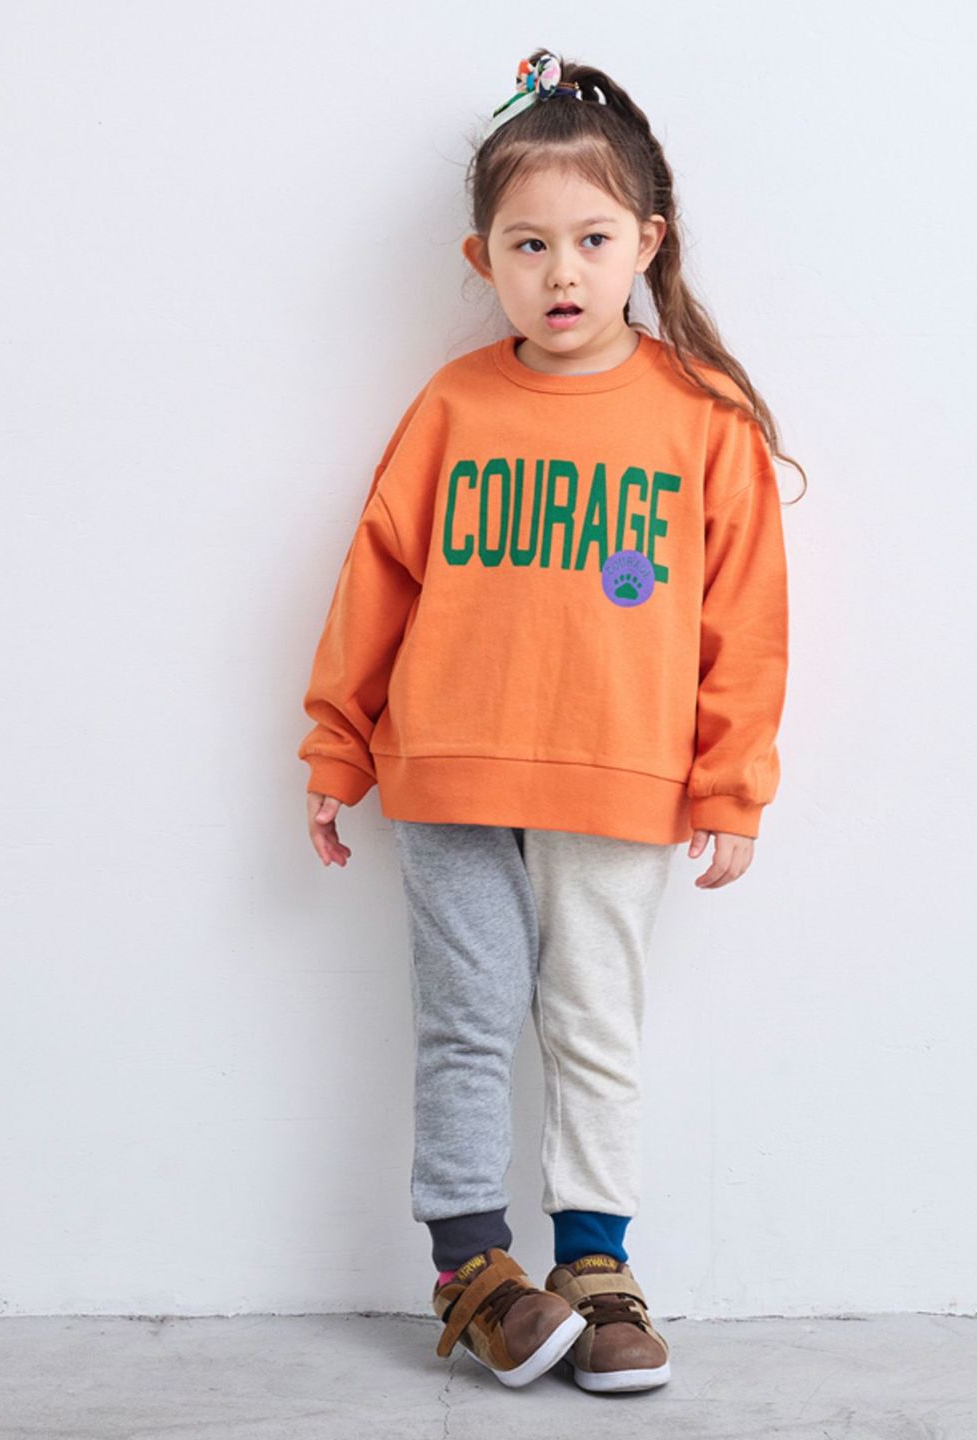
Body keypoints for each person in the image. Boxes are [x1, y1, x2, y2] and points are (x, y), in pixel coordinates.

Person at [296, 48, 801, 1395]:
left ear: (647, 242)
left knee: (592, 1021)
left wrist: (732, 782)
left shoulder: (703, 418)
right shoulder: (454, 405)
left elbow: (745, 618)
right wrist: (337, 741)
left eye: (591, 240)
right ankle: (472, 1270)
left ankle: (596, 1267)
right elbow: (378, 577)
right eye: (529, 245)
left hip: (622, 770)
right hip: (447, 764)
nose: (561, 272)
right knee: (466, 1021)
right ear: (484, 259)